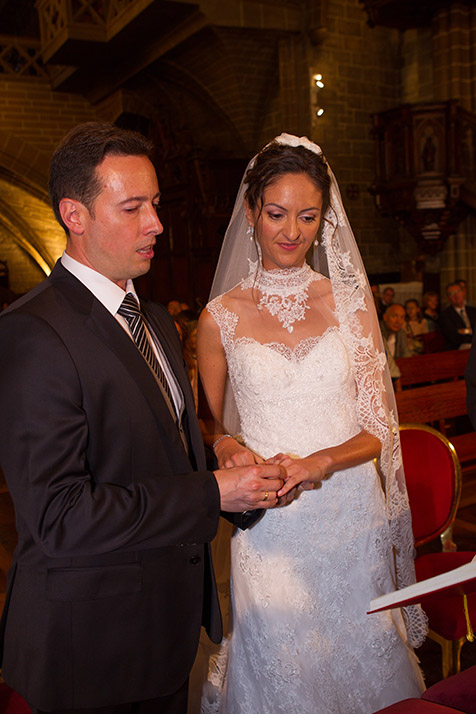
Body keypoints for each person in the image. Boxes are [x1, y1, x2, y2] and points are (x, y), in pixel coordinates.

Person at [0, 122, 286, 714]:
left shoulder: (153, 318)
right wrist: (212, 491)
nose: (156, 223)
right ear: (74, 215)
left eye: (155, 204)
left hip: (163, 627)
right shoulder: (32, 333)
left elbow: (153, 446)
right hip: (92, 645)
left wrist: (220, 455)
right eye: (132, 208)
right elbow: (59, 516)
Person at [197, 134, 427, 714]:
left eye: (308, 216)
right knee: (283, 664)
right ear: (252, 211)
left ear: (325, 219)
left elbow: (379, 427)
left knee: (364, 651)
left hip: (350, 513)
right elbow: (208, 421)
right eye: (276, 214)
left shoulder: (350, 304)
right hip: (271, 520)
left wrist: (321, 461)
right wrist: (225, 444)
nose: (292, 232)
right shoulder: (219, 318)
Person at [440, 281, 476, 350]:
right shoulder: (445, 315)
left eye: (458, 292)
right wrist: (470, 331)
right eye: (452, 293)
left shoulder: (473, 311)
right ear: (448, 297)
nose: (456, 295)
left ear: (464, 293)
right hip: (458, 349)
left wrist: (464, 331)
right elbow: (453, 337)